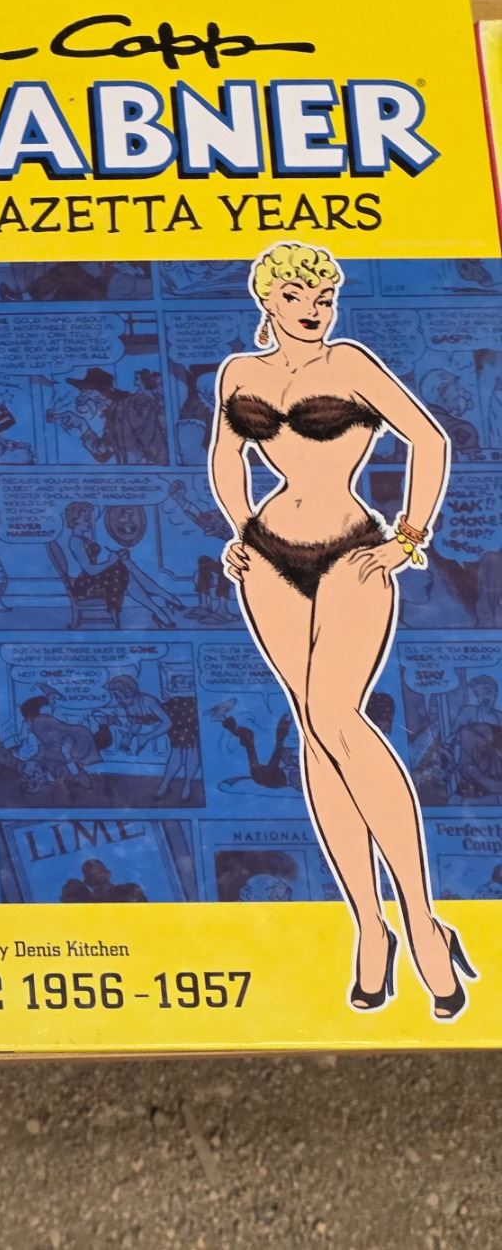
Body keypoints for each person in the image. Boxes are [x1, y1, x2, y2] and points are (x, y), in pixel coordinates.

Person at [210, 241, 470, 1019]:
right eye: (297, 296)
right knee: (314, 731)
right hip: (268, 558)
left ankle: (422, 922)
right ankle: (370, 929)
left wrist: (408, 538)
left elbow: (430, 440)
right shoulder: (239, 372)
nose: (314, 308)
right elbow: (226, 456)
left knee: (336, 716)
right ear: (268, 300)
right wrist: (238, 529)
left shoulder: (350, 363)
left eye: (324, 296)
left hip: (352, 553)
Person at [55, 501, 184, 628]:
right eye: (86, 519)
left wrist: (116, 557)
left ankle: (161, 607)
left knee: (125, 564)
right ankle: (165, 602)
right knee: (125, 573)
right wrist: (111, 561)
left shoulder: (82, 538)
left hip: (93, 579)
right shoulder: (75, 541)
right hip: (85, 586)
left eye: (89, 518)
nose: (90, 522)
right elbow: (90, 570)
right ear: (75, 520)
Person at [56, 367, 167, 464]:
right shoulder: (112, 417)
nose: (82, 397)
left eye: (88, 391)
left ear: (107, 391)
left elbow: (159, 452)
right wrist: (82, 426)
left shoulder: (136, 404)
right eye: (82, 391)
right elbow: (103, 454)